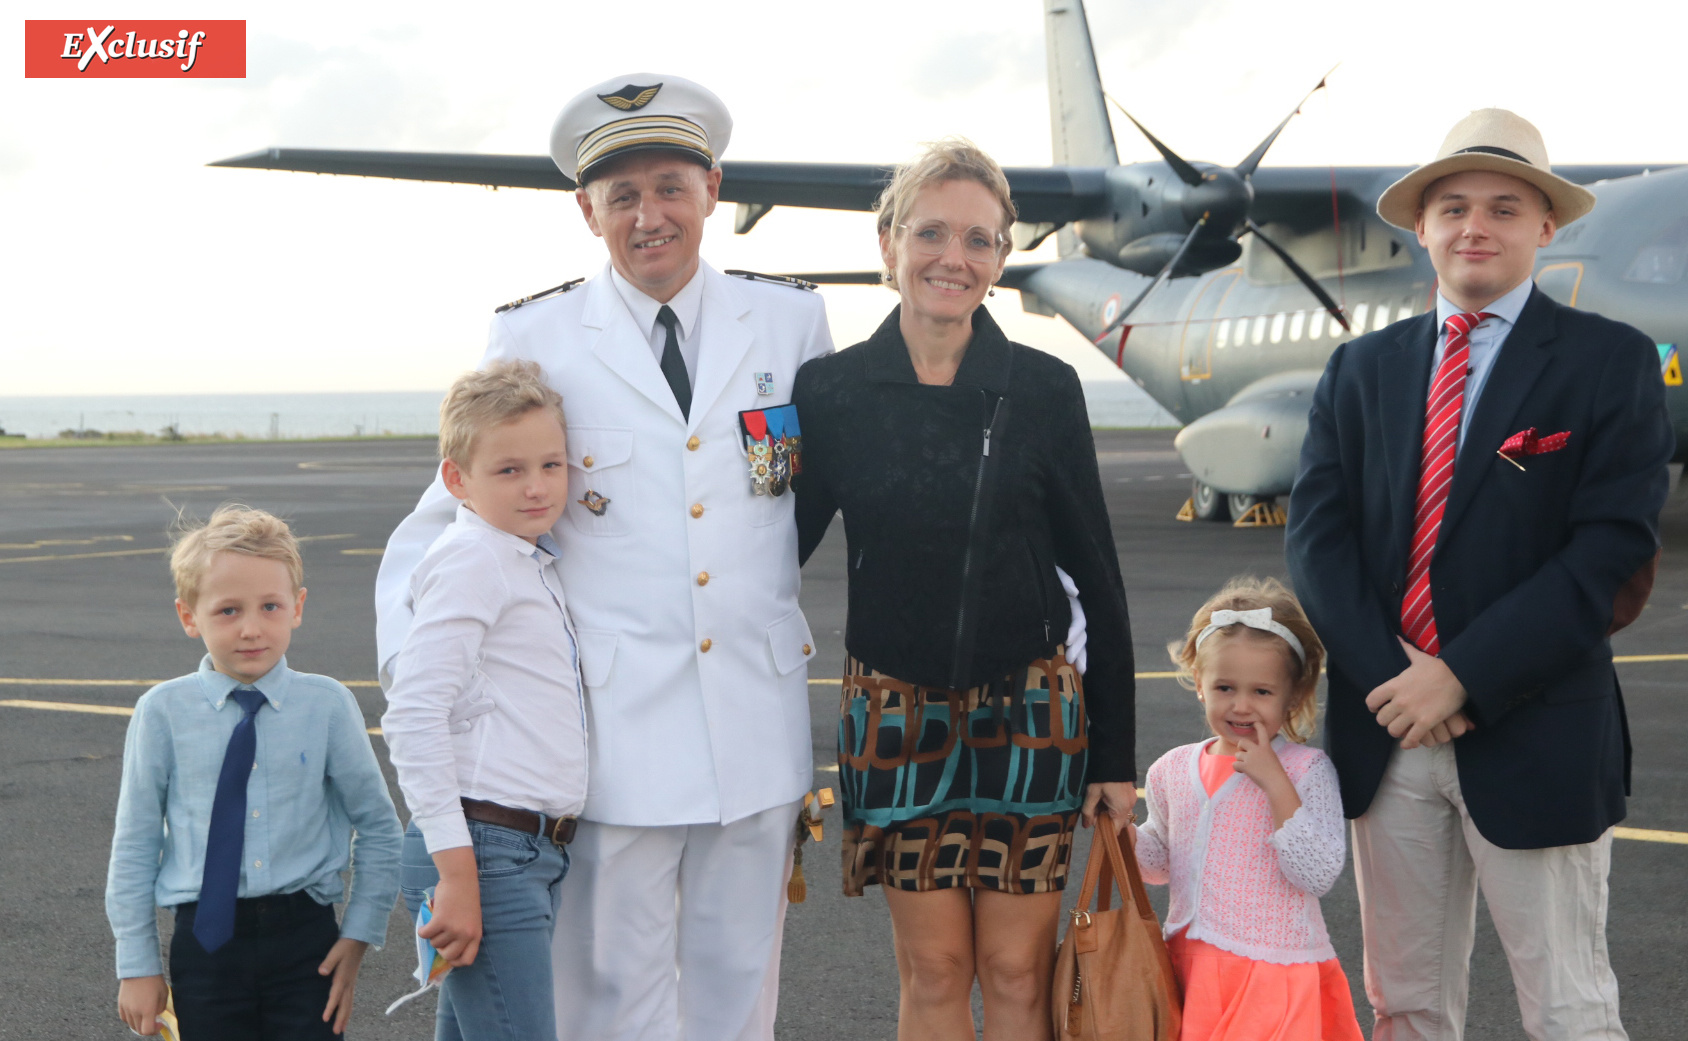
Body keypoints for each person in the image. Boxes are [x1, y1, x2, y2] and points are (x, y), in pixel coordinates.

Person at [375, 73, 834, 1041]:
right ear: (586, 212)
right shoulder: (534, 335)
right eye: (621, 197)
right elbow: (442, 523)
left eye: (669, 186)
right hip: (612, 735)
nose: (648, 215)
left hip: (754, 719)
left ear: (713, 187)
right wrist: (434, 686)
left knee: (737, 989)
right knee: (607, 998)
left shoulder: (788, 320)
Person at [1286, 108, 1673, 1041]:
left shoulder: (1608, 363)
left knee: (1569, 1008)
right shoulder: (1359, 368)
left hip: (1535, 728)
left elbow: (1610, 551)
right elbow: (1317, 540)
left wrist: (1459, 675)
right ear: (1421, 227)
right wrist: (1397, 681)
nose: (1475, 226)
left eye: (1505, 207)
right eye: (1453, 206)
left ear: (1546, 227)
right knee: (1406, 1006)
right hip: (1391, 736)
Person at [790, 138, 1136, 1041]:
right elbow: (767, 553)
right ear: (888, 243)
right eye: (932, 232)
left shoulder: (1044, 389)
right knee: (935, 967)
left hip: (1032, 712)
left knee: (1017, 968)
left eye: (979, 239)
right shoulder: (829, 392)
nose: (955, 256)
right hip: (895, 713)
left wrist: (1116, 756)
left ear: (1001, 257)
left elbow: (1099, 578)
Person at [105, 506, 402, 1039]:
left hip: (308, 943)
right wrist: (136, 964)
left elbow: (380, 827)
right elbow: (135, 843)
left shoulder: (327, 706)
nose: (251, 628)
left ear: (297, 608)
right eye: (226, 611)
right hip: (205, 944)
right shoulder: (162, 713)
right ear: (188, 615)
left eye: (270, 606)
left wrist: (358, 936)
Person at [381, 360, 588, 1041]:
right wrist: (458, 873)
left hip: (518, 851)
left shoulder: (520, 555)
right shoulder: (476, 558)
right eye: (509, 470)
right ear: (456, 479)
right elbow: (413, 711)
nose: (537, 486)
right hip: (483, 850)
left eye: (551, 464)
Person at [1133, 577, 1363, 1041]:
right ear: (1199, 684)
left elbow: (1316, 873)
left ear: (1293, 696)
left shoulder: (1305, 770)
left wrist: (1274, 781)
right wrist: (1122, 831)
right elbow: (1159, 865)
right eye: (1224, 687)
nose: (1241, 706)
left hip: (1273, 972)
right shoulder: (1172, 770)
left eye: (1261, 692)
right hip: (1189, 967)